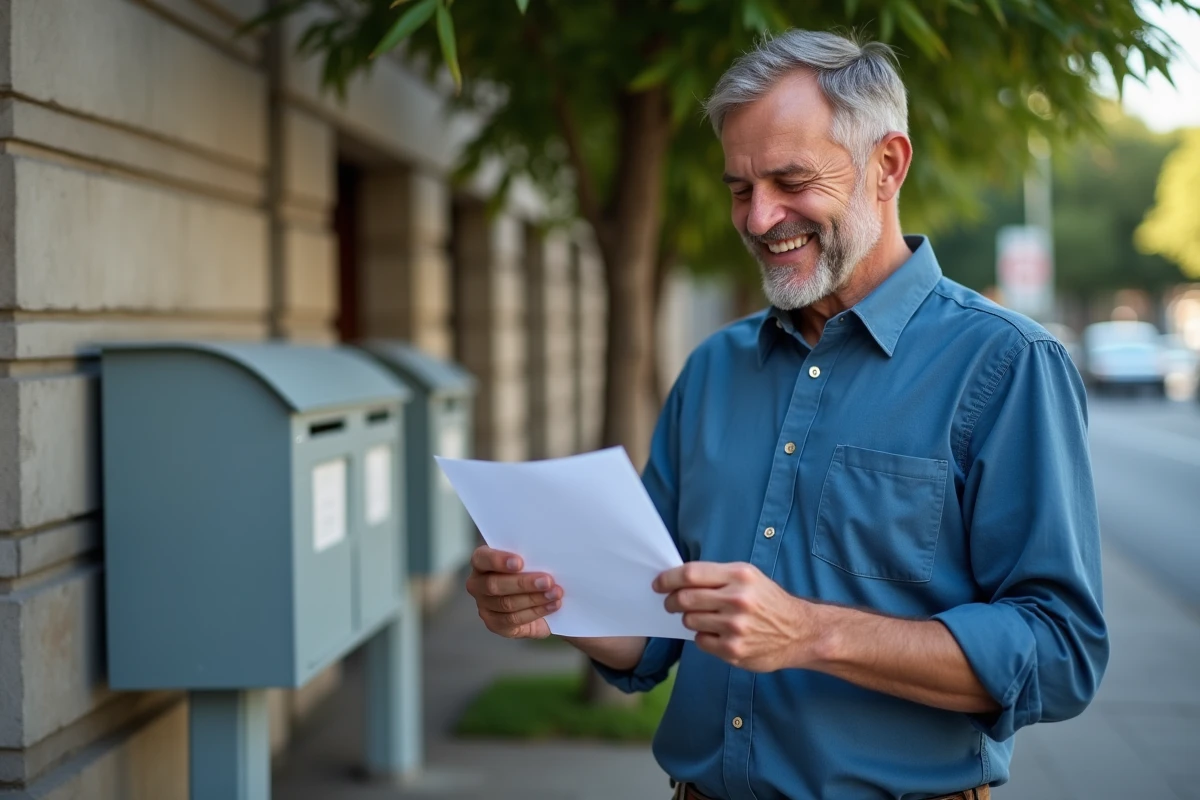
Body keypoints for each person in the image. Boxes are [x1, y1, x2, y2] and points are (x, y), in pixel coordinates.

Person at [465, 29, 1107, 800]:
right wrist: (551, 601)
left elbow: (1061, 654)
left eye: (791, 181)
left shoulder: (1005, 366)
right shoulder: (711, 369)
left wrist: (810, 633)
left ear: (888, 165)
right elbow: (649, 623)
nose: (760, 217)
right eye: (741, 187)